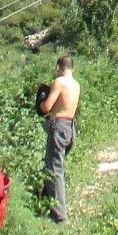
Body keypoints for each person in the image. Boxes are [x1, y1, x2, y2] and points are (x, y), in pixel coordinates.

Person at [38, 53, 80, 222]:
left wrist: (41, 101)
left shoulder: (59, 82)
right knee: (54, 167)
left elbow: (47, 107)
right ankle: (46, 204)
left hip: (59, 126)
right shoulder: (76, 84)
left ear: (59, 68)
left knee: (55, 171)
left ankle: (59, 216)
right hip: (70, 127)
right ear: (72, 68)